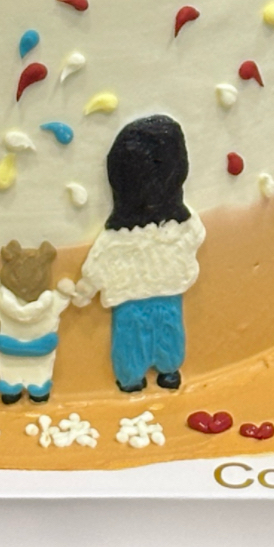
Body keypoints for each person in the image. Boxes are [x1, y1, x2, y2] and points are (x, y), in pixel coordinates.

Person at [72, 115, 205, 393]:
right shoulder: (180, 224)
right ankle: (168, 371)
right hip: (167, 290)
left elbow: (100, 262)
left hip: (131, 296)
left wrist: (87, 287)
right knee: (167, 327)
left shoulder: (117, 236)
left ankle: (132, 378)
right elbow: (195, 236)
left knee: (132, 334)